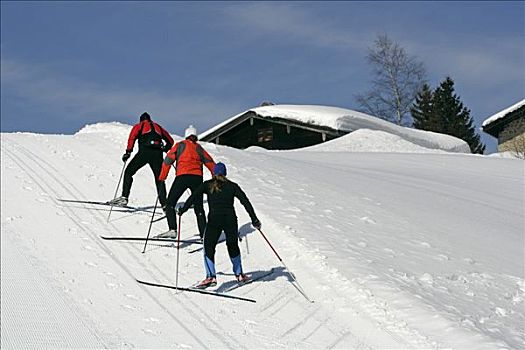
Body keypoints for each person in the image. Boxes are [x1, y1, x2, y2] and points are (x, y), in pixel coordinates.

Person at [177, 162, 261, 289]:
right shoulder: (232, 186)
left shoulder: (208, 185)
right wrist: (254, 219)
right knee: (232, 245)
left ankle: (211, 277)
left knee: (208, 246)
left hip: (214, 221)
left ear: (214, 173)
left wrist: (183, 210)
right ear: (225, 173)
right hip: (230, 220)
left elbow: (194, 196)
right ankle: (239, 275)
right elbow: (245, 201)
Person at [157, 125, 215, 238]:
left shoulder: (180, 145)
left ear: (186, 135)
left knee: (170, 203)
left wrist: (162, 177)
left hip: (182, 177)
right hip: (197, 179)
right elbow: (210, 162)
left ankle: (172, 229)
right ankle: (204, 234)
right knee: (199, 207)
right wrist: (216, 178)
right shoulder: (199, 148)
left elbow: (168, 160)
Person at [108, 112, 174, 207]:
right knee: (159, 178)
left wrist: (128, 152)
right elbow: (170, 140)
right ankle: (164, 204)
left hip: (144, 153)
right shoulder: (158, 127)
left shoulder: (140, 126)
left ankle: (124, 197)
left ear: (141, 120)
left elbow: (132, 138)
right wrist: (165, 148)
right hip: (157, 154)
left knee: (129, 172)